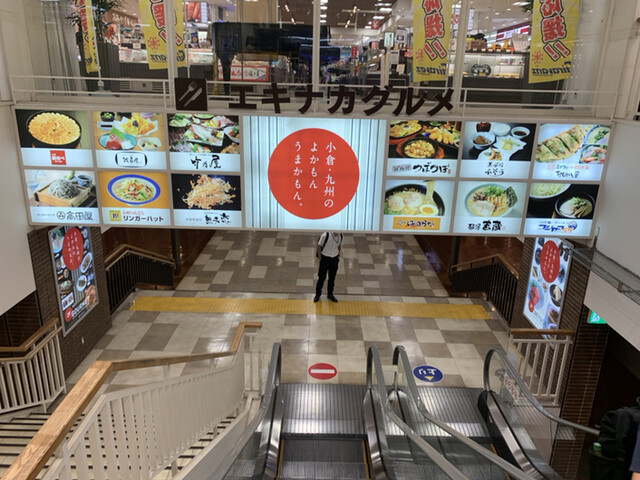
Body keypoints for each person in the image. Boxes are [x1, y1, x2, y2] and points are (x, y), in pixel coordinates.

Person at [314, 232, 342, 303]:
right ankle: (318, 294)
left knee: (332, 277)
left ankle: (330, 294)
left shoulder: (341, 235)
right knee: (322, 277)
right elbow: (319, 245)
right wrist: (320, 257)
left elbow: (339, 245)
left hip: (334, 258)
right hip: (325, 258)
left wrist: (338, 255)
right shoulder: (325, 235)